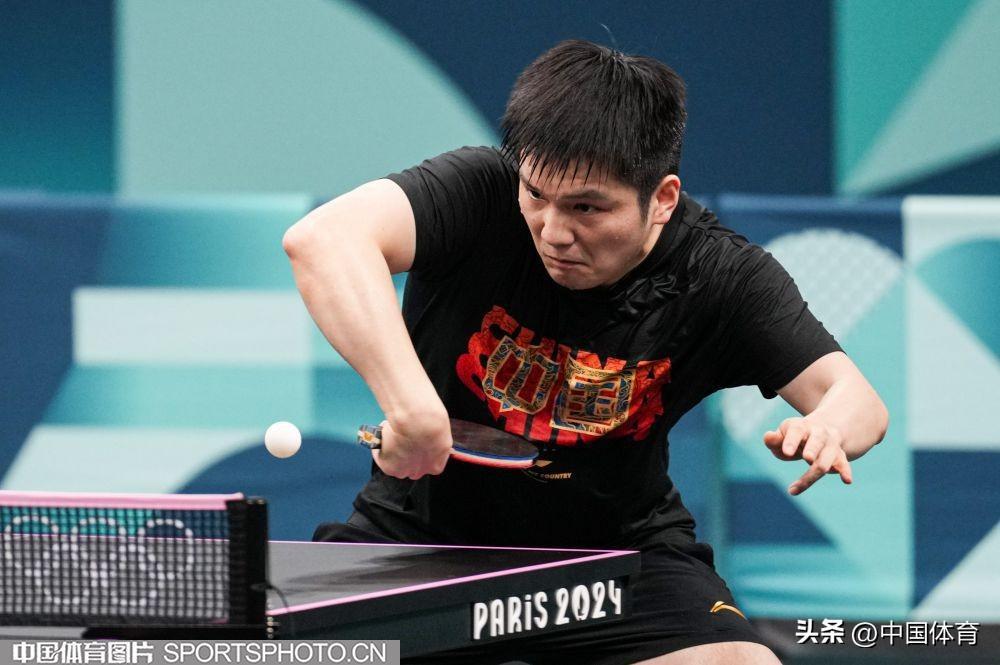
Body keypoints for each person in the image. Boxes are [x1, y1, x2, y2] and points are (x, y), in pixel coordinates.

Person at [283, 40, 888, 665]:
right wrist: (410, 405)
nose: (552, 231)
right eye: (536, 194)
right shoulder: (479, 191)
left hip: (614, 561)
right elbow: (324, 240)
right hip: (417, 541)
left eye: (586, 208)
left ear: (662, 199)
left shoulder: (719, 275)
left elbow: (857, 401)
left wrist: (828, 426)